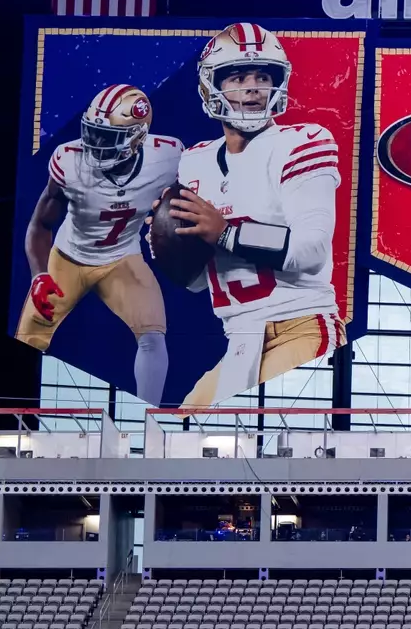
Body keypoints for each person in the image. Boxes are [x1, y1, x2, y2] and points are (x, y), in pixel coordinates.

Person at [149, 22, 344, 408]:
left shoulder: (303, 141)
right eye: (238, 76)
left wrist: (224, 233)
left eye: (262, 75)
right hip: (240, 337)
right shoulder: (195, 161)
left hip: (301, 327)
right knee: (180, 436)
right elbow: (197, 284)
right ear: (212, 87)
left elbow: (311, 250)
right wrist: (168, 241)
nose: (254, 86)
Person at [19, 85, 180, 404]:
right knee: (27, 339)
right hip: (67, 259)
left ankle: (149, 426)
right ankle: (13, 419)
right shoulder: (69, 160)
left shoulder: (168, 157)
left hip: (122, 258)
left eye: (106, 137)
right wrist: (39, 275)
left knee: (152, 338)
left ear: (137, 136)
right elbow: (41, 223)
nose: (93, 144)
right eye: (92, 133)